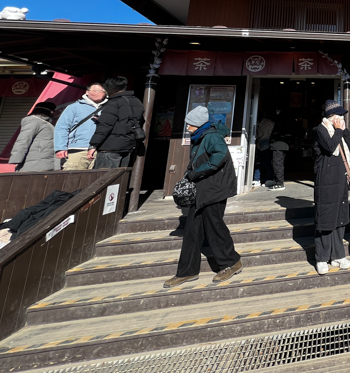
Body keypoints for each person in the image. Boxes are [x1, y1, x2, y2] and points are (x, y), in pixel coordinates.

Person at [164, 105, 242, 287]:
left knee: (215, 227)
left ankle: (231, 262)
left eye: (190, 124)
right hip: (202, 189)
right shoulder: (200, 136)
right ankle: (187, 271)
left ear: (198, 124)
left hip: (214, 189)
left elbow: (219, 157)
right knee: (192, 231)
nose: (187, 127)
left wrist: (195, 173)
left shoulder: (212, 137)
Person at [312, 100, 350, 274]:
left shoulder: (340, 130)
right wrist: (338, 130)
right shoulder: (320, 130)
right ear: (331, 116)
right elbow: (330, 147)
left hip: (341, 178)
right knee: (326, 218)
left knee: (339, 218)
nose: (341, 118)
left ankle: (338, 255)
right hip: (326, 180)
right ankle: (322, 258)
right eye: (339, 115)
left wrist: (344, 131)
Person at [87, 76, 145, 168]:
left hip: (109, 147)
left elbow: (105, 126)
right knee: (120, 175)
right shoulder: (136, 101)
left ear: (109, 88)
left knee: (105, 175)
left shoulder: (113, 103)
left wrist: (93, 145)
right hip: (127, 146)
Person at [54, 83, 108, 170]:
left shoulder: (109, 107)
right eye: (95, 91)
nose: (98, 93)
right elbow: (62, 127)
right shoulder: (74, 107)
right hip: (77, 150)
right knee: (72, 176)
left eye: (102, 91)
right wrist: (60, 147)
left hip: (101, 151)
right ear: (87, 92)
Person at [10, 102, 57, 172]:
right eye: (53, 111)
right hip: (35, 164)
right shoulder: (33, 121)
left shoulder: (46, 123)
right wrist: (16, 159)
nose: (53, 113)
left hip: (46, 163)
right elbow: (23, 140)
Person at [254, 114, 275, 187]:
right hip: (268, 143)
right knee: (267, 163)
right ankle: (270, 178)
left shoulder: (260, 124)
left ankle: (256, 179)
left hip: (262, 143)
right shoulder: (271, 123)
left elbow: (259, 135)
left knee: (259, 162)